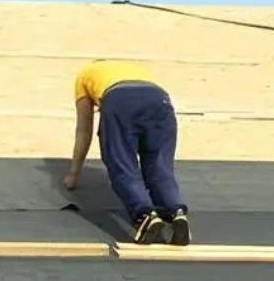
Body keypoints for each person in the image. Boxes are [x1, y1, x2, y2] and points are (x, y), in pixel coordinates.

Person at [63, 59, 190, 245]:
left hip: (119, 100)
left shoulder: (84, 75)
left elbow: (84, 130)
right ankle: (176, 213)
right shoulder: (136, 69)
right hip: (159, 100)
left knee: (122, 163)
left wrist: (73, 175)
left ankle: (145, 215)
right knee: (159, 164)